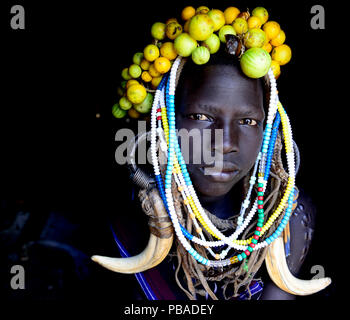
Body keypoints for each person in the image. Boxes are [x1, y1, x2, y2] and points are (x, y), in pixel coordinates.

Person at [93, 9, 332, 298]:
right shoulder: (128, 213)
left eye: (248, 121)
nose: (225, 143)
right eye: (201, 117)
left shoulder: (289, 219)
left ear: (269, 131)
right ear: (165, 122)